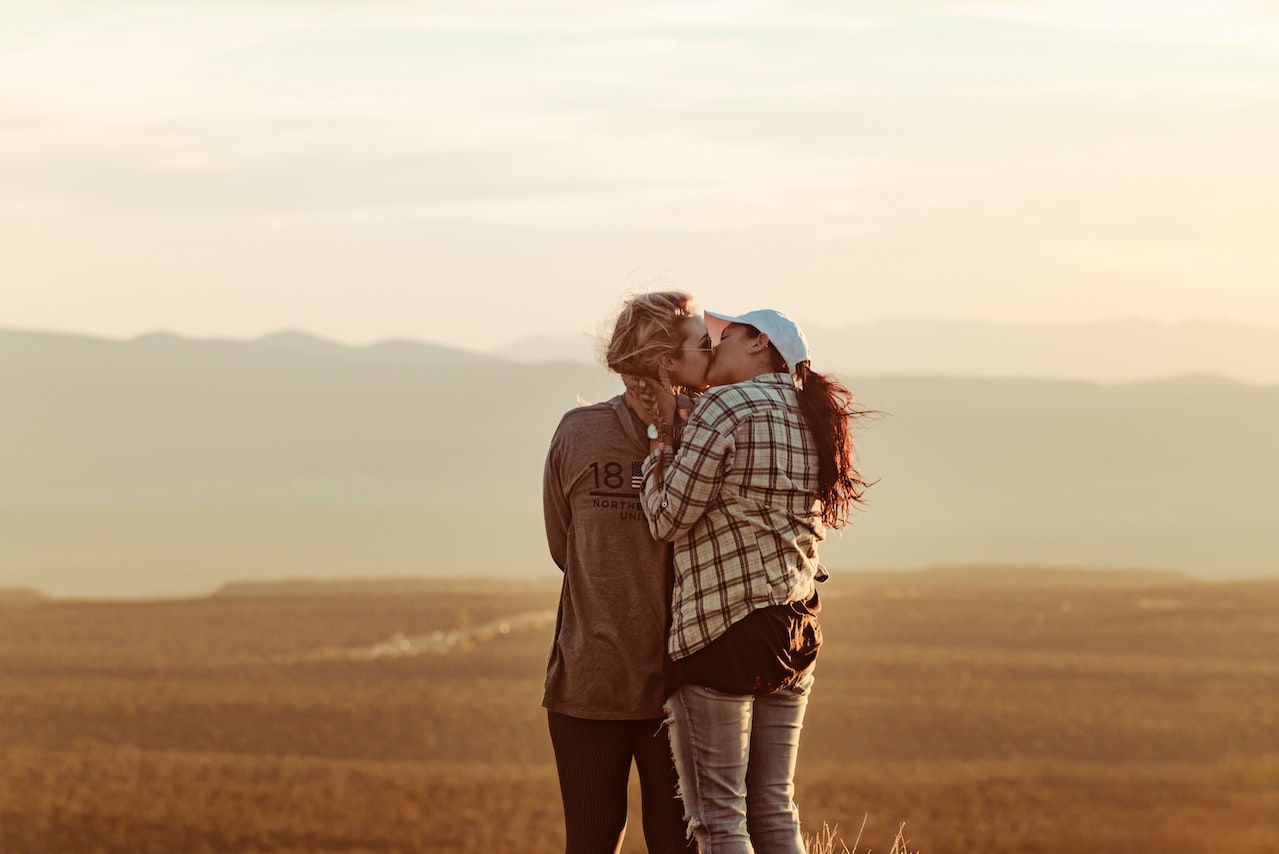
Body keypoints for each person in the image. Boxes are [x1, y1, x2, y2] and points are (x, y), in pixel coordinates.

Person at [637, 308, 870, 854]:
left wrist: (656, 455)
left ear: (760, 342)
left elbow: (668, 517)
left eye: (725, 336)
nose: (713, 346)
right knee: (773, 806)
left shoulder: (726, 405)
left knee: (719, 819)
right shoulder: (813, 414)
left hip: (724, 628)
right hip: (797, 626)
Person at [541, 291, 713, 854]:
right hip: (588, 688)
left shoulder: (709, 436)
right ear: (666, 359)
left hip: (683, 691)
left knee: (677, 845)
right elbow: (565, 548)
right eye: (701, 342)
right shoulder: (579, 432)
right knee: (590, 842)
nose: (711, 352)